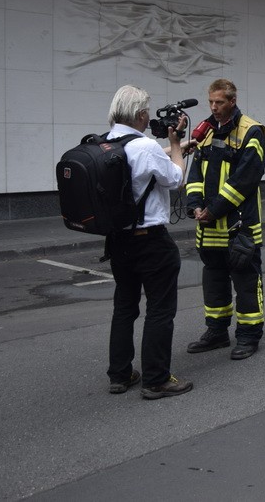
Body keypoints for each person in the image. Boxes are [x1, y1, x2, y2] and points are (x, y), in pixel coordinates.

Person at [104, 85, 193, 400]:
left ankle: (121, 374)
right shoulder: (145, 146)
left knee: (124, 307)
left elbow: (139, 170)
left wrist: (172, 147)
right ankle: (156, 380)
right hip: (151, 242)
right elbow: (175, 179)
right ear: (141, 114)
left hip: (118, 241)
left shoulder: (106, 142)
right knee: (159, 308)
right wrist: (176, 146)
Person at [185, 79, 265, 360]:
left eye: (219, 102)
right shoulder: (206, 132)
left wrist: (215, 209)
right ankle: (217, 332)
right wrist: (195, 205)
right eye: (210, 102)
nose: (213, 107)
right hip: (209, 228)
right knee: (214, 282)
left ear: (232, 101)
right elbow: (195, 173)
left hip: (239, 227)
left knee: (246, 282)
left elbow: (244, 181)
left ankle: (248, 335)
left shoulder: (251, 132)